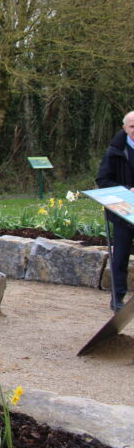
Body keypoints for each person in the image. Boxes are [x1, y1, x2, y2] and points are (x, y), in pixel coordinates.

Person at [95, 110, 134, 312]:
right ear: (124, 128)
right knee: (120, 257)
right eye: (132, 126)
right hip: (123, 211)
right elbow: (103, 180)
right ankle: (117, 297)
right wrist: (127, 190)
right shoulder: (114, 151)